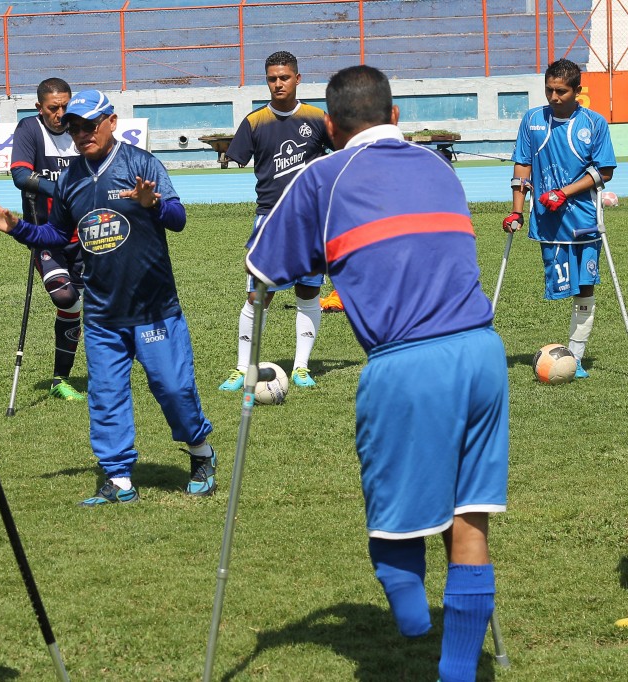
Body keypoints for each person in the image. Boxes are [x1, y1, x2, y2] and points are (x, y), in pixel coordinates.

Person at [246, 65, 509, 682]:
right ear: (395, 116)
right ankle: (457, 671)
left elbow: (263, 271)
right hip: (482, 352)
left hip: (406, 363)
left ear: (330, 128)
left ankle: (413, 620)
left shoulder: (323, 176)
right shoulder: (439, 166)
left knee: (393, 518)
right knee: (468, 517)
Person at [0, 89, 215, 506]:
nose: (81, 133)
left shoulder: (141, 164)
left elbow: (178, 219)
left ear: (111, 122)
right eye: (74, 127)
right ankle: (119, 479)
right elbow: (56, 234)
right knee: (106, 398)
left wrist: (153, 204)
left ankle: (201, 453)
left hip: (153, 308)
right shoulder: (69, 180)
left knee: (174, 389)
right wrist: (17, 228)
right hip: (103, 315)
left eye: (89, 125)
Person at [219, 50, 333, 392]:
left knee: (308, 292)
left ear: (297, 78)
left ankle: (301, 367)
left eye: (284, 77)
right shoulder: (255, 121)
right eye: (272, 78)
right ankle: (243, 368)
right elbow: (235, 156)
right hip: (269, 221)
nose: (278, 83)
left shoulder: (317, 118)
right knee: (258, 296)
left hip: (310, 221)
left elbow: (340, 152)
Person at [505, 57, 617, 378]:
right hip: (548, 221)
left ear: (577, 91)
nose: (553, 97)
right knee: (561, 285)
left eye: (561, 91)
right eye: (549, 90)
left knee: (585, 287)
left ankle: (576, 358)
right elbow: (522, 166)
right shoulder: (532, 120)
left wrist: (563, 192)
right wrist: (516, 210)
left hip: (584, 220)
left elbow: (604, 172)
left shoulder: (594, 123)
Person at [10, 77, 85, 401]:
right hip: (46, 235)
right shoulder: (30, 129)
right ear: (39, 107)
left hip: (86, 235)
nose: (61, 114)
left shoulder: (82, 128)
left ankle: (62, 380)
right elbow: (20, 175)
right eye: (54, 108)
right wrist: (64, 190)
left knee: (84, 306)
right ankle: (62, 379)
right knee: (66, 298)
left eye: (66, 106)